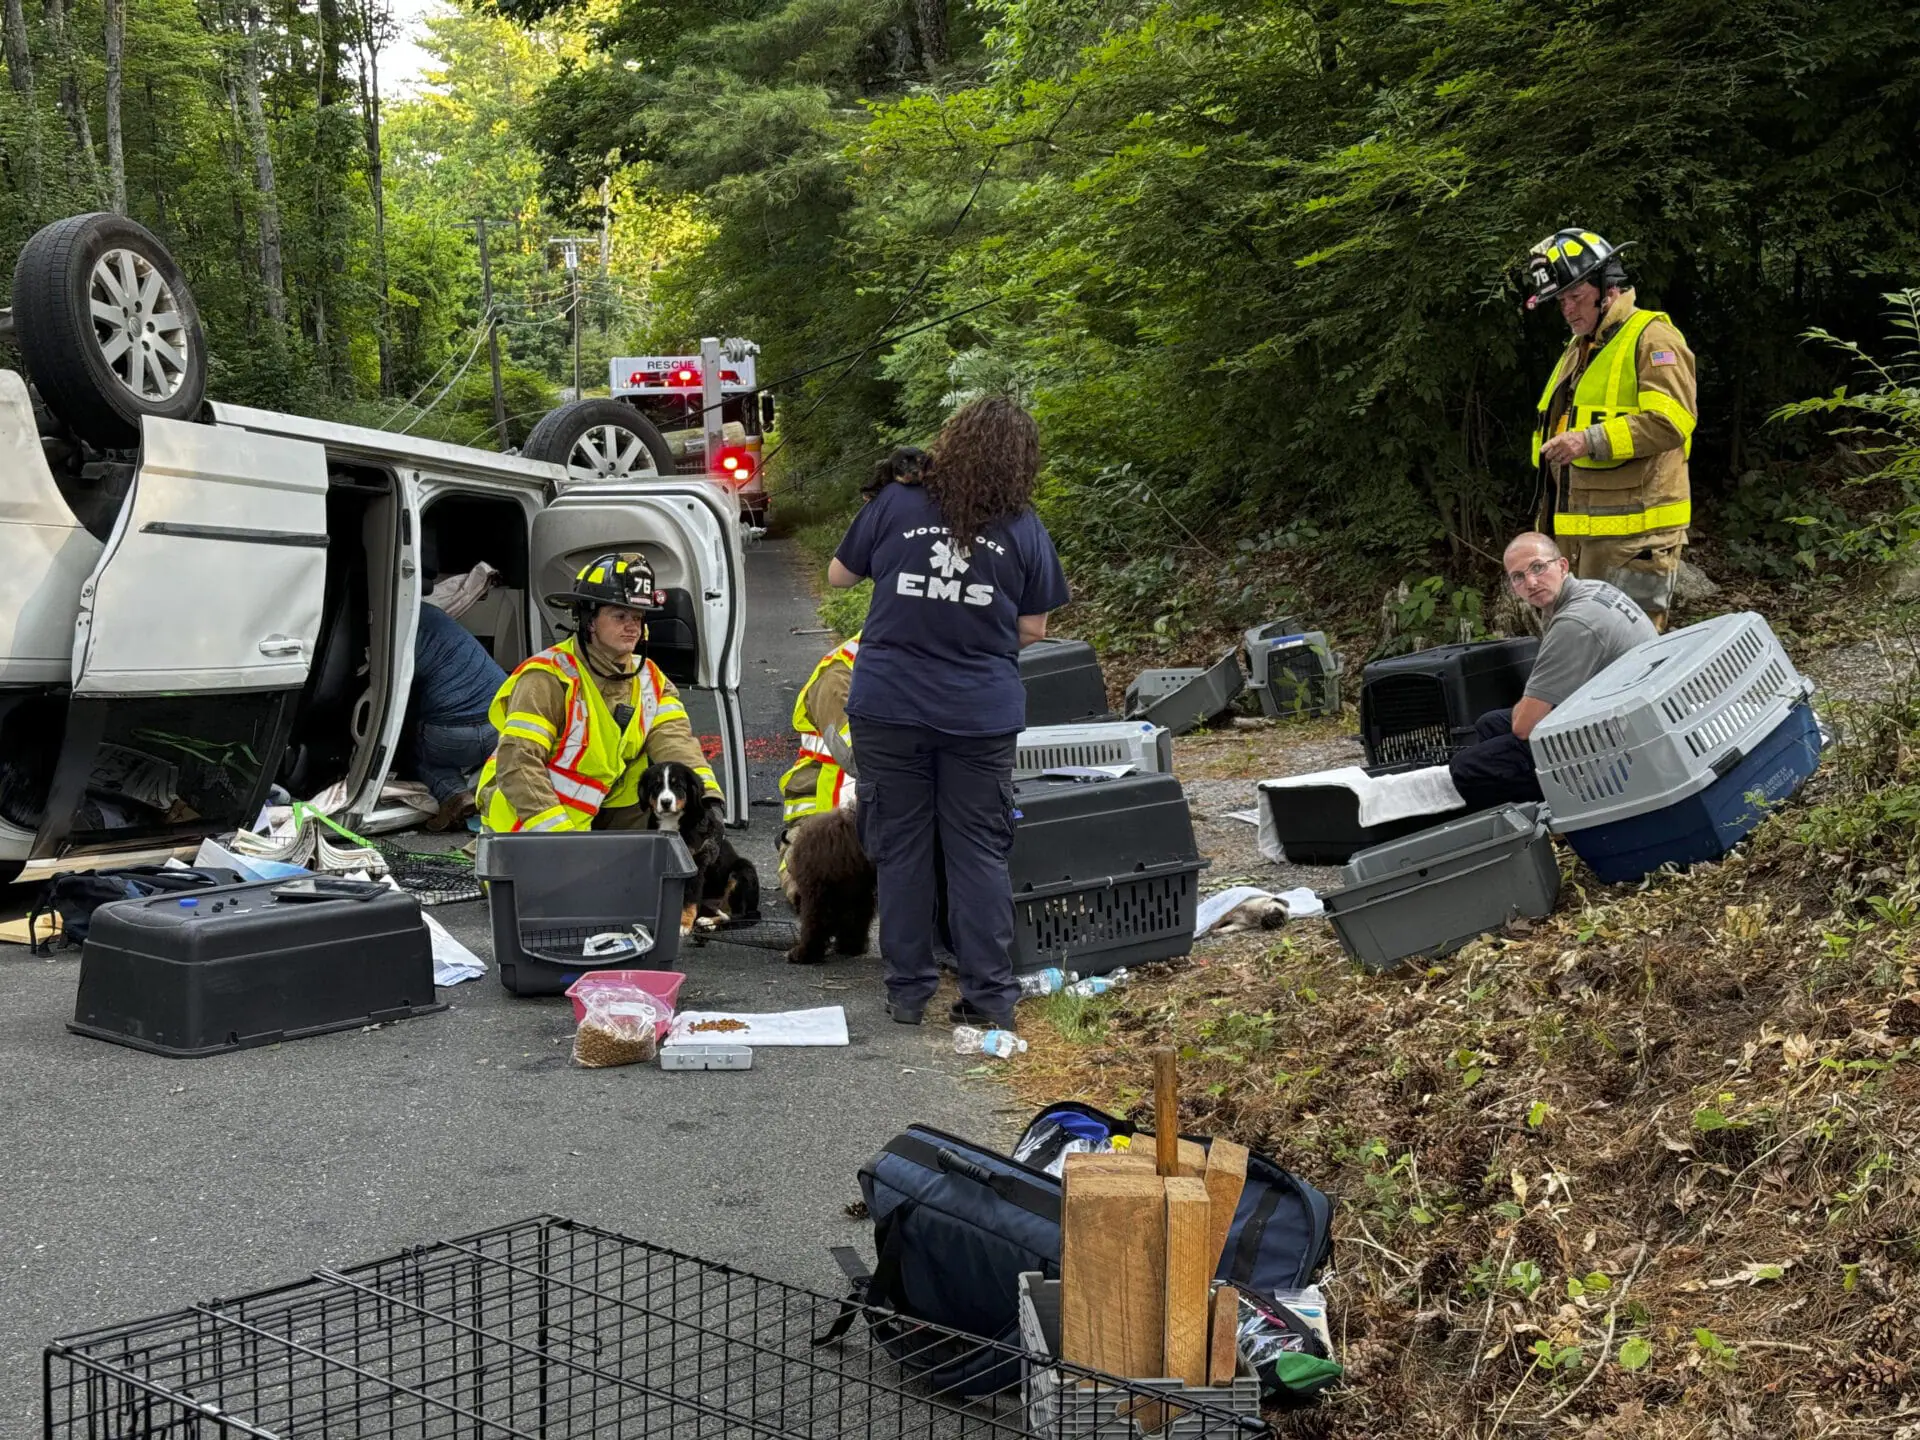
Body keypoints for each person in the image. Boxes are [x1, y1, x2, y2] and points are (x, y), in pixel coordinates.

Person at [827, 396, 1070, 1029]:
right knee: (978, 854)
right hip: (978, 713)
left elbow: (838, 577)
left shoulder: (898, 503)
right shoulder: (1023, 526)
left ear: (951, 441)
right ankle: (990, 998)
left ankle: (908, 991)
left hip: (888, 704)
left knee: (901, 848)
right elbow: (1035, 627)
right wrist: (975, 634)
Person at [1525, 227, 1697, 631]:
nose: (1567, 309)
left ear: (1607, 287)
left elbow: (1671, 422)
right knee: (1584, 654)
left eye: (1575, 296)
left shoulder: (1651, 336)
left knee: (1632, 654)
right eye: (1560, 301)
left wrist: (1589, 440)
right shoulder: (1581, 346)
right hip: (1580, 539)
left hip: (1635, 540)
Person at [476, 552, 722, 833]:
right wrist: (560, 838)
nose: (632, 626)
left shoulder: (650, 678)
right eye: (620, 615)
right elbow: (518, 763)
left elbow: (676, 742)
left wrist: (708, 798)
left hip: (599, 816)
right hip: (532, 822)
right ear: (589, 620)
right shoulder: (546, 677)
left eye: (638, 617)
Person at [1448, 532, 1659, 811]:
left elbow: (1524, 727)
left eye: (1538, 567)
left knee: (1465, 769)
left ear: (1561, 565)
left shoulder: (1574, 623)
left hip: (1619, 737)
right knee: (1489, 723)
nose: (1531, 582)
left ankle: (1559, 808)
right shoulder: (1592, 589)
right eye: (1518, 577)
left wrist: (1528, 709)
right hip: (1622, 704)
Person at [404, 601, 508, 830]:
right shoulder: (435, 616)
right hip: (500, 721)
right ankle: (487, 793)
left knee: (412, 747)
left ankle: (453, 794)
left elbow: (398, 685)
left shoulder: (397, 623)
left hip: (452, 735)